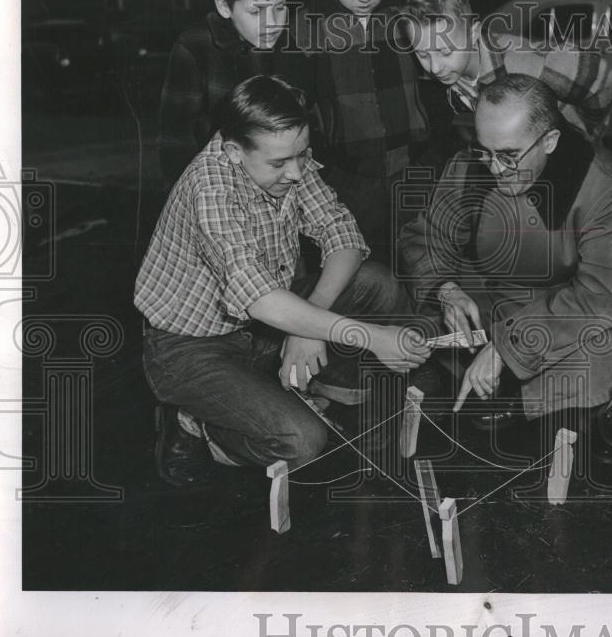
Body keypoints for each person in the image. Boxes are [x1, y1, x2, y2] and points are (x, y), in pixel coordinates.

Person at [136, 74, 430, 486]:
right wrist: (369, 336)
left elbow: (342, 234)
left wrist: (312, 323)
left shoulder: (285, 155)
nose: (295, 173)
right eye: (279, 163)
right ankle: (196, 423)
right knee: (301, 443)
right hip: (191, 347)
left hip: (261, 328)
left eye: (302, 156)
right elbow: (260, 298)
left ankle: (324, 391)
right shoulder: (210, 188)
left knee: (375, 282)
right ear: (235, 152)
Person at [398, 73, 612, 439]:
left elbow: (598, 295)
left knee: (601, 359)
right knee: (410, 320)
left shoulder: (608, 191)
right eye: (486, 151)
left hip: (575, 308)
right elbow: (428, 236)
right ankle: (476, 387)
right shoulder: (472, 164)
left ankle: (528, 405)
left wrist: (505, 346)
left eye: (509, 156)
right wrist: (447, 290)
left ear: (549, 141)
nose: (495, 168)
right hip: (495, 294)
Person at [294, 0, 429, 265]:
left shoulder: (405, 19)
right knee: (358, 281)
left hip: (409, 174)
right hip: (344, 184)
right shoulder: (306, 29)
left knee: (415, 268)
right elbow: (297, 115)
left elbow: (431, 88)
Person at [157, 0, 309, 190]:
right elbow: (175, 141)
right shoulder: (195, 47)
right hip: (216, 193)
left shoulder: (293, 46)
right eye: (255, 11)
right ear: (224, 7)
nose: (271, 22)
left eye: (280, 7)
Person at [403, 0, 612, 145]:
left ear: (474, 33)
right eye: (422, 54)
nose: (434, 67)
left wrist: (589, 136)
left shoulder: (525, 65)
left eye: (445, 52)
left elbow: (601, 78)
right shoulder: (450, 75)